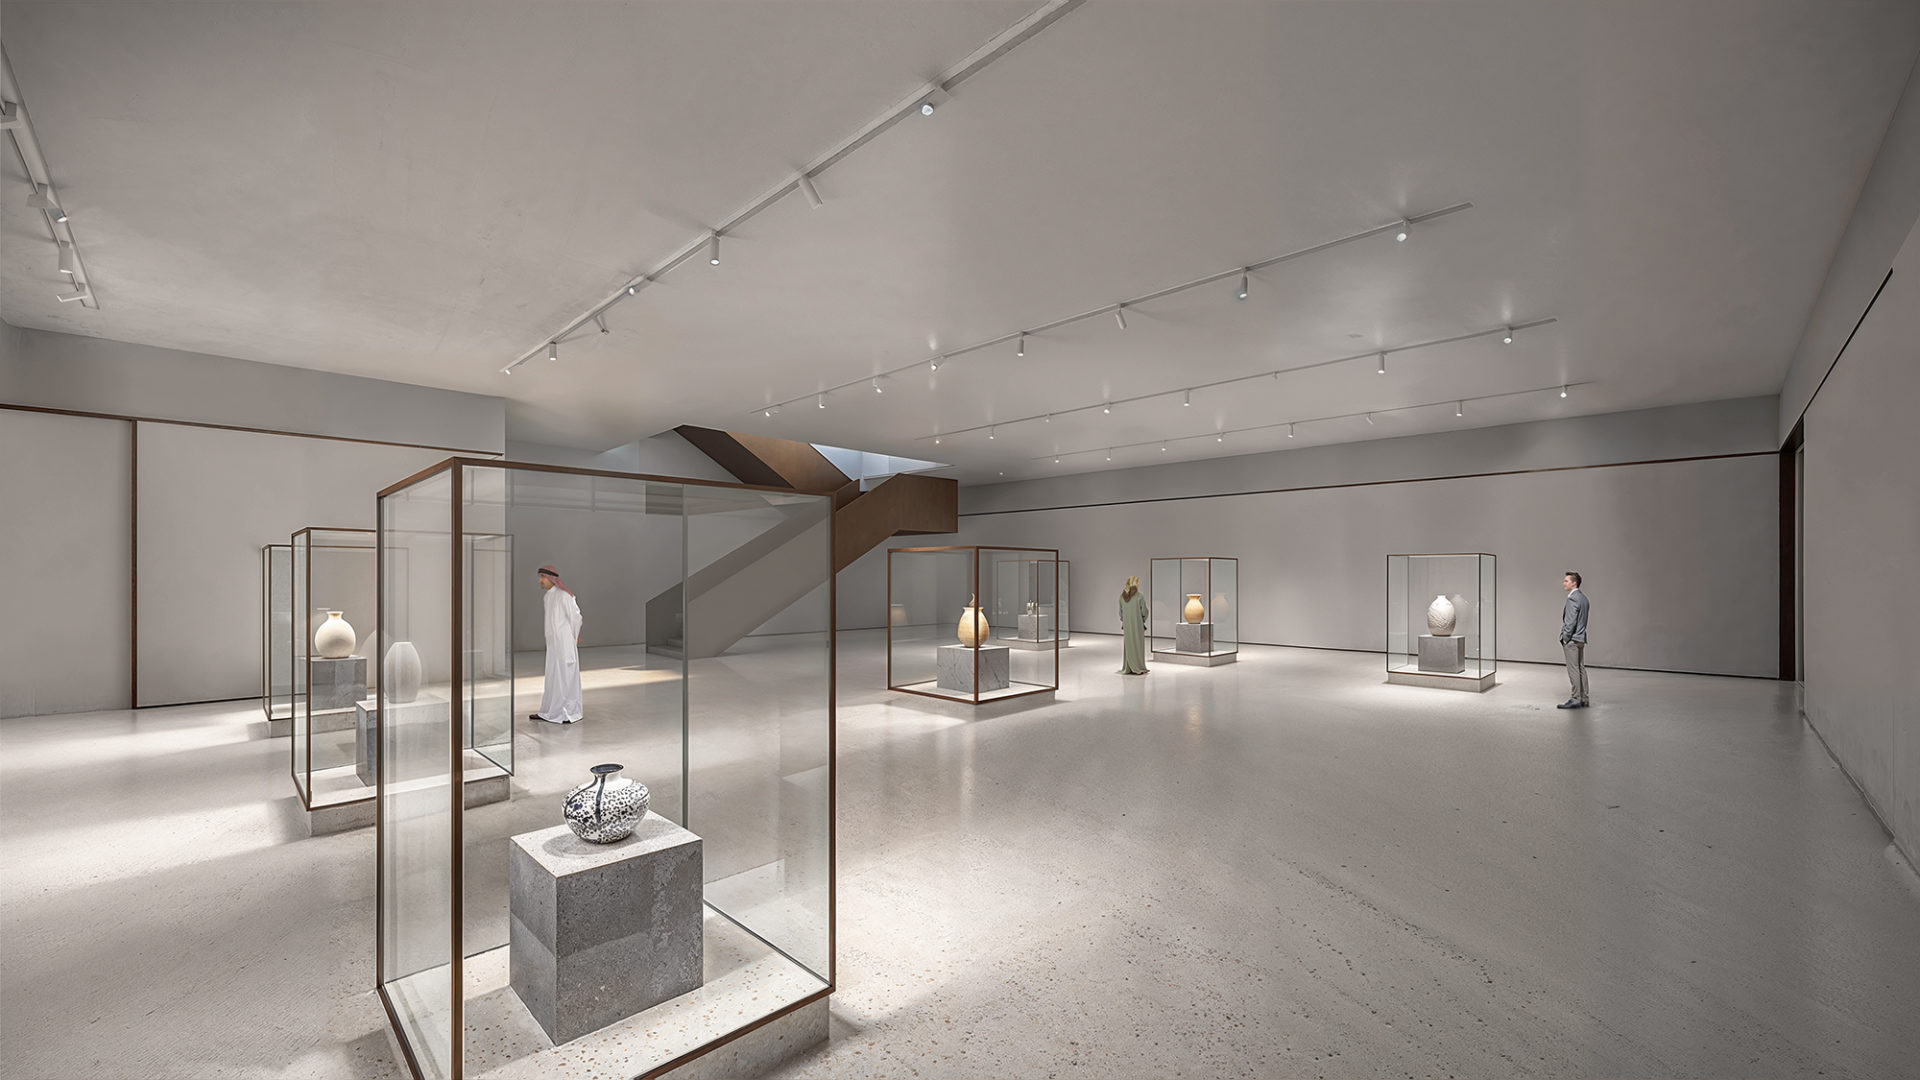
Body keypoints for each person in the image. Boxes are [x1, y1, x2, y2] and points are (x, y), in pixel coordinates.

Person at [530, 565, 584, 724]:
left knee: (565, 677)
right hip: (553, 645)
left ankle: (567, 713)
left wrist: (574, 636)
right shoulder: (548, 596)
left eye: (542, 577)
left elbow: (576, 618)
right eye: (539, 577)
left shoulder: (565, 595)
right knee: (553, 677)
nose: (540, 581)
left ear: (551, 578)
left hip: (564, 643)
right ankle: (548, 711)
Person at [1557, 571, 1590, 709]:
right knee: (1581, 668)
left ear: (1574, 583)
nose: (1563, 583)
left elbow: (1570, 622)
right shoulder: (1584, 598)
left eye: (1566, 581)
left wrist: (1565, 637)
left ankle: (1576, 698)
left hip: (1572, 639)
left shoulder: (1572, 599)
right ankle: (1584, 698)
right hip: (1581, 638)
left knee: (1574, 669)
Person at [1118, 575, 1149, 675]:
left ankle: (1128, 667)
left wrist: (1124, 622)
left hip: (1127, 625)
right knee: (1138, 644)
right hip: (1137, 624)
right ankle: (1138, 666)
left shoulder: (1122, 597)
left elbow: (1121, 613)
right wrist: (1142, 620)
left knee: (1129, 643)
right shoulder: (1139, 596)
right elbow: (1144, 612)